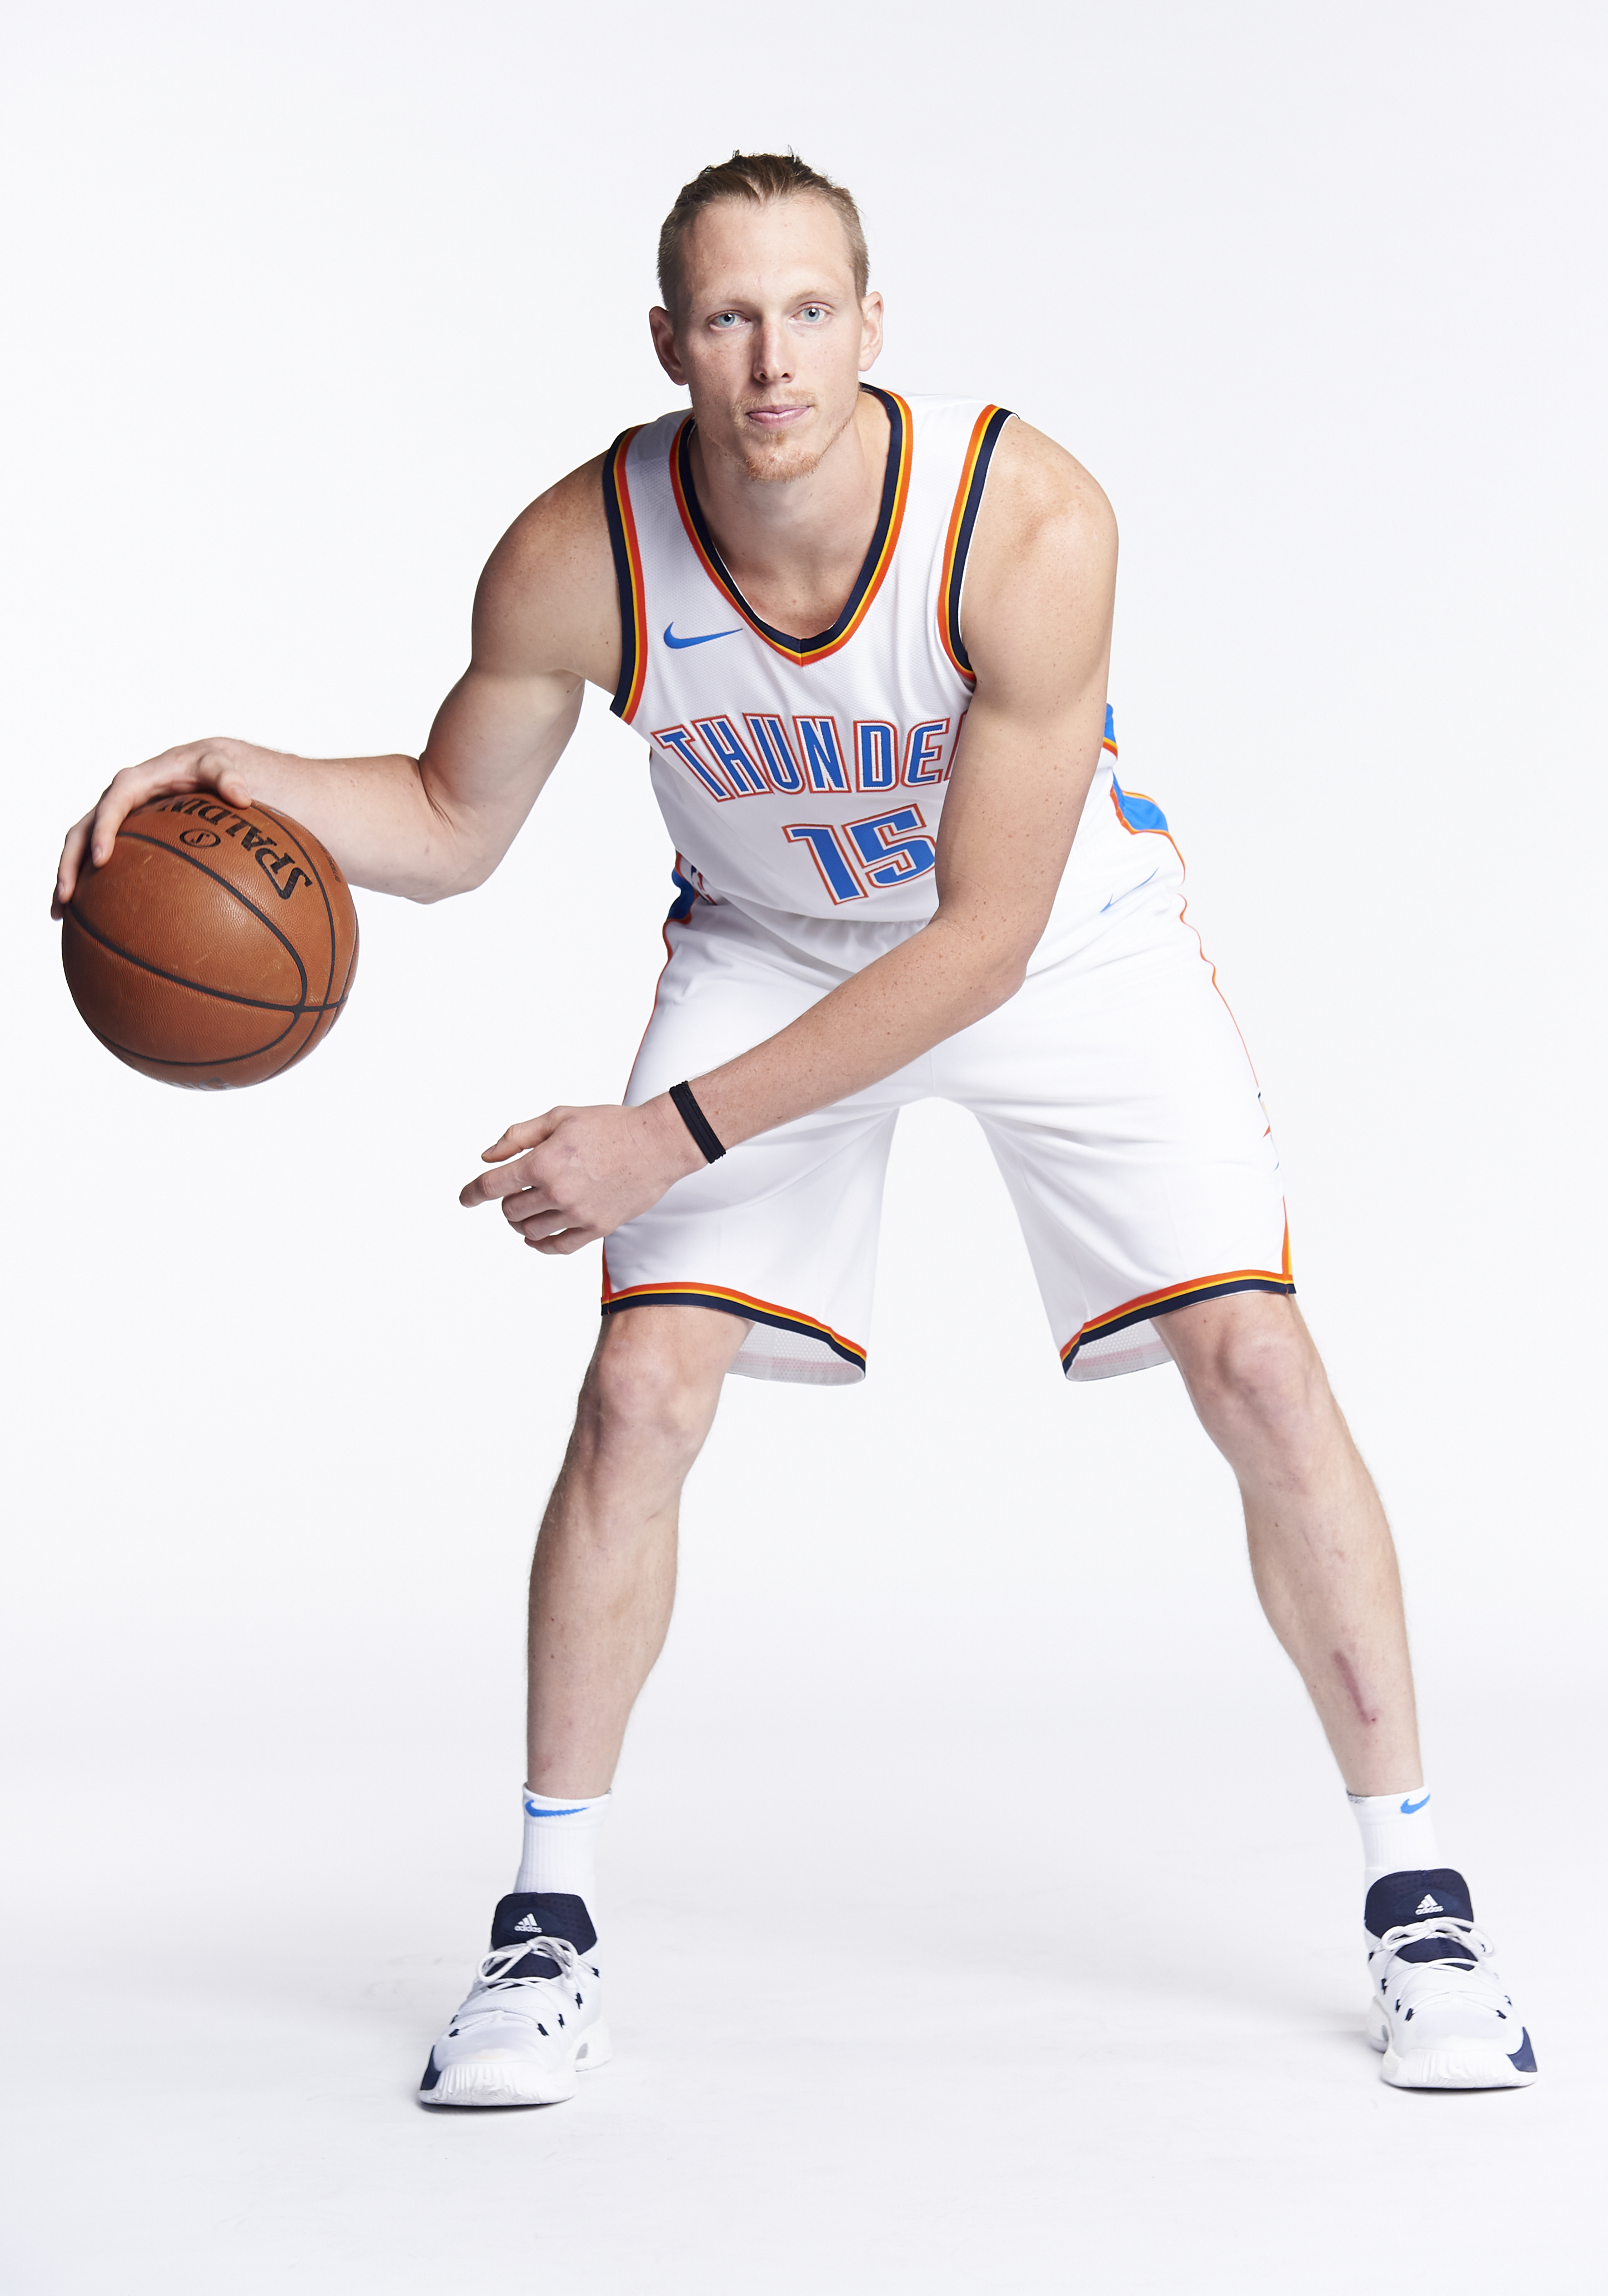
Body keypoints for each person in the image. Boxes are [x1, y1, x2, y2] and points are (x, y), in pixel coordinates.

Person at [54, 151, 1535, 2104]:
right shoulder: (579, 553)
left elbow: (984, 938)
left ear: (874, 321)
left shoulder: (1028, 526)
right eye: (730, 318)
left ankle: (1419, 1897)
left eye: (810, 311)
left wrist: (659, 1137)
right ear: (669, 340)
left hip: (1054, 945)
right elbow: (447, 819)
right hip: (764, 945)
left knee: (1255, 1359)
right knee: (640, 1398)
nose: (774, 360)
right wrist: (257, 780)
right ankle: (545, 1932)